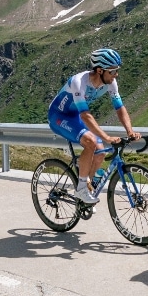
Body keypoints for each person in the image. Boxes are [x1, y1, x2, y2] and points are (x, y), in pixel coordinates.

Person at [47, 48, 139, 205]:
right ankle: (81, 189)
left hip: (74, 116)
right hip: (59, 116)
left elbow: (119, 108)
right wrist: (107, 137)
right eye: (113, 71)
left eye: (117, 70)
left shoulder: (110, 82)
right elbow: (85, 115)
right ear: (99, 70)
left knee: (100, 151)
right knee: (91, 141)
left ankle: (87, 184)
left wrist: (130, 131)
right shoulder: (79, 82)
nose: (116, 74)